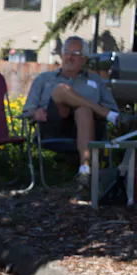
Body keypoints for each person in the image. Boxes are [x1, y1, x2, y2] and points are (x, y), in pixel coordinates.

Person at [22, 35, 135, 186]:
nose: (69, 57)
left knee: (83, 110)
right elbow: (27, 111)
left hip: (89, 128)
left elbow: (111, 106)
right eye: (67, 52)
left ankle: (85, 170)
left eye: (75, 53)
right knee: (61, 90)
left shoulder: (96, 81)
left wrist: (96, 110)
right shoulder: (44, 79)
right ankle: (112, 117)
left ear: (84, 59)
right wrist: (35, 113)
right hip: (54, 127)